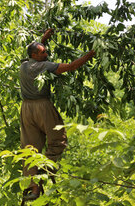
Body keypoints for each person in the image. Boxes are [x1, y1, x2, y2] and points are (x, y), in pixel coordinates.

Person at [19, 29, 95, 200]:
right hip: (42, 107)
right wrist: (90, 54)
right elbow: (71, 66)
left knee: (29, 148)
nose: (46, 53)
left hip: (26, 108)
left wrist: (43, 40)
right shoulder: (44, 66)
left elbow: (35, 49)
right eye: (43, 52)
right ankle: (42, 172)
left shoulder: (24, 65)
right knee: (58, 140)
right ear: (35, 55)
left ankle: (33, 186)